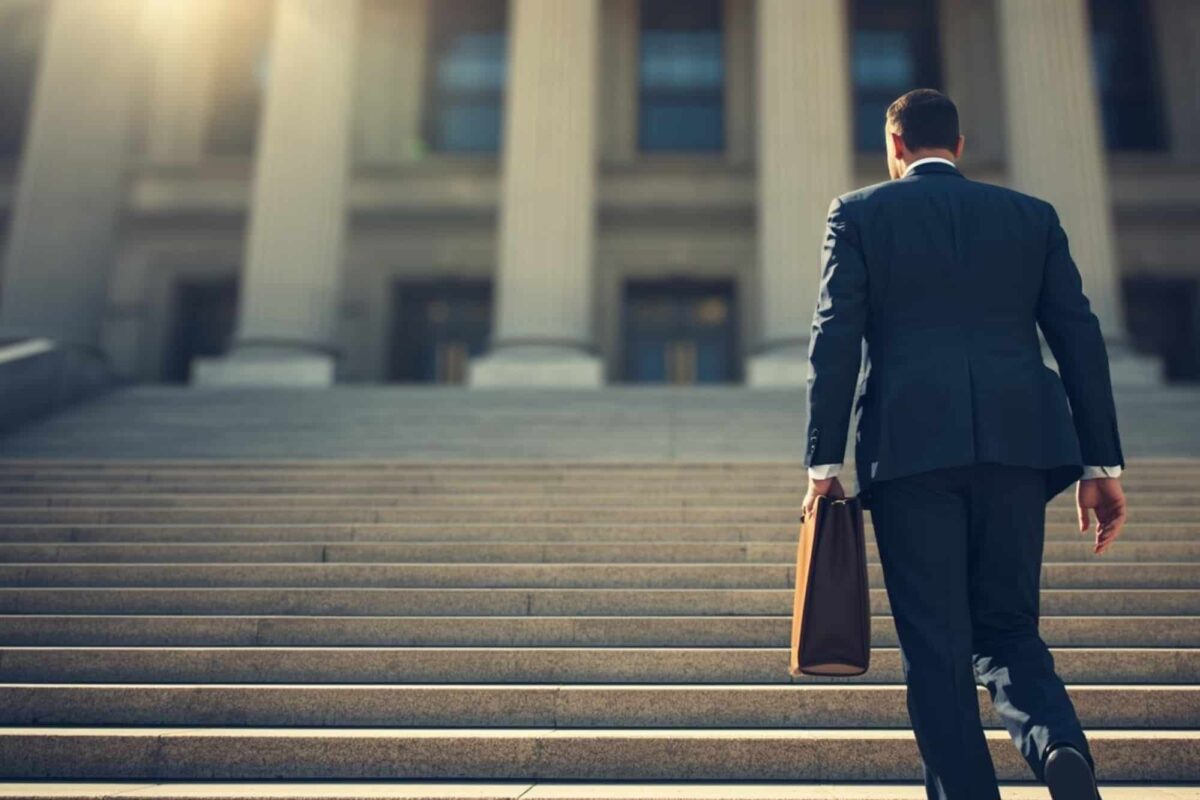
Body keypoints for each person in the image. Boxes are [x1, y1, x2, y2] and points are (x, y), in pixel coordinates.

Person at [799, 88, 1128, 800]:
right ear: (960, 144)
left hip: (910, 450)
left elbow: (835, 339)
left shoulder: (857, 213)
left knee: (936, 648)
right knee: (1009, 627)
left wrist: (823, 465)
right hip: (1020, 447)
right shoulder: (1030, 217)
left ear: (894, 147)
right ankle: (1058, 744)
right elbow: (1079, 338)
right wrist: (1100, 462)